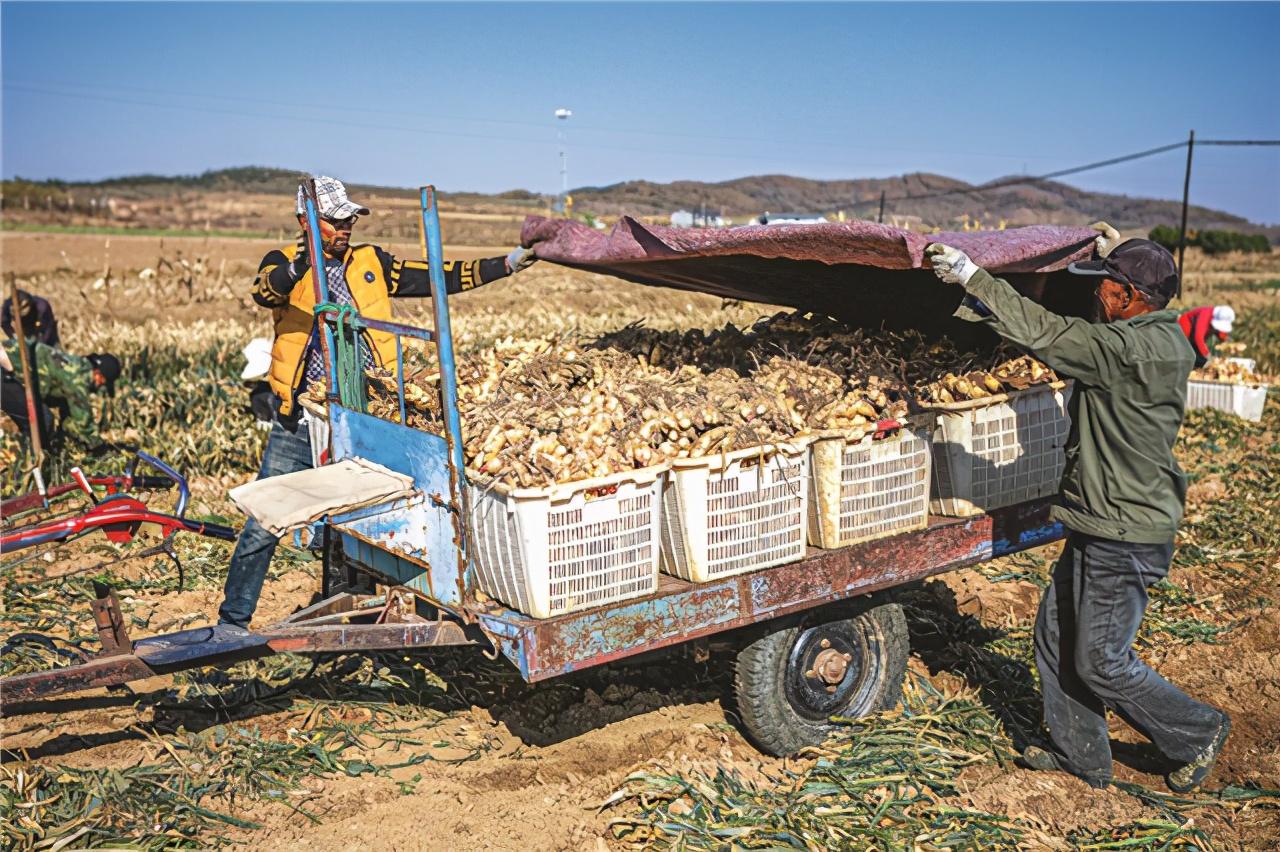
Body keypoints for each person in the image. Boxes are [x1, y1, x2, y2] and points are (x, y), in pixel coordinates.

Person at [925, 237, 1230, 794]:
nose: (1097, 294)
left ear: (1126, 295)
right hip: (1106, 517)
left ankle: (1198, 731)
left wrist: (975, 278)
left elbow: (1045, 332)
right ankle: (1082, 755)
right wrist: (1125, 251)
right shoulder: (1168, 337)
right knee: (1055, 634)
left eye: (1105, 285)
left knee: (1100, 660)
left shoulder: (1119, 350)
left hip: (1124, 530)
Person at [217, 176, 539, 631]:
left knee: (354, 523)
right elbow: (265, 291)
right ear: (307, 221)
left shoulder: (371, 263)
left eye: (348, 219)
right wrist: (305, 261)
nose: (345, 226)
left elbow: (435, 277)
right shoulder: (284, 264)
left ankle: (347, 616)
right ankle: (233, 620)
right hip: (303, 415)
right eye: (334, 220)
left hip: (363, 413)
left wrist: (506, 263)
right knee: (264, 519)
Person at [1, 335, 118, 450]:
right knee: (43, 421)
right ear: (99, 375)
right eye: (103, 383)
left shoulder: (77, 364)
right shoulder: (77, 379)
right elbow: (84, 423)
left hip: (9, 368)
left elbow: (66, 406)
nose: (99, 388)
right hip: (4, 370)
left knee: (43, 419)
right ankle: (26, 460)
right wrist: (99, 448)